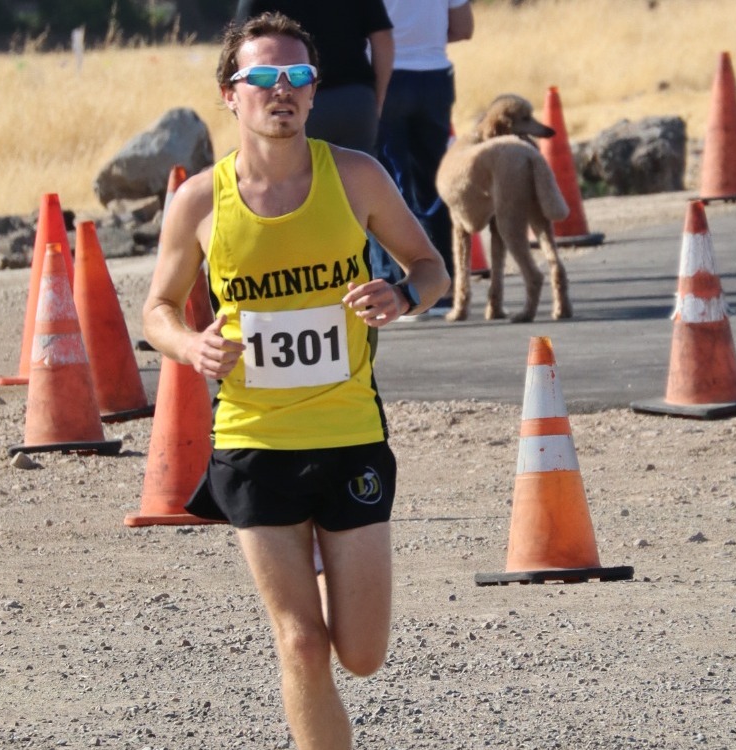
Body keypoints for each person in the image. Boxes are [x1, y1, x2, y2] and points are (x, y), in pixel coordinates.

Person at [140, 13, 448, 749]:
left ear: (313, 95)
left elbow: (431, 266)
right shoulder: (199, 203)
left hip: (349, 436)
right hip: (253, 441)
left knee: (362, 655)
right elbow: (153, 310)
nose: (283, 92)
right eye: (265, 79)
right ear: (230, 94)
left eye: (300, 78)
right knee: (302, 646)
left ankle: (324, 571)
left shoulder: (355, 176)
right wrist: (189, 346)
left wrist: (401, 296)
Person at [370, 0, 473, 318]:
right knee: (434, 181)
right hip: (433, 76)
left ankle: (394, 286)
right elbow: (463, 28)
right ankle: (441, 286)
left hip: (385, 74)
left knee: (382, 182)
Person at [234, 0, 394, 153]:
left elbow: (239, 44)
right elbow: (382, 37)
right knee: (361, 175)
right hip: (355, 100)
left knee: (296, 178)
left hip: (294, 97)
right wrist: (376, 100)